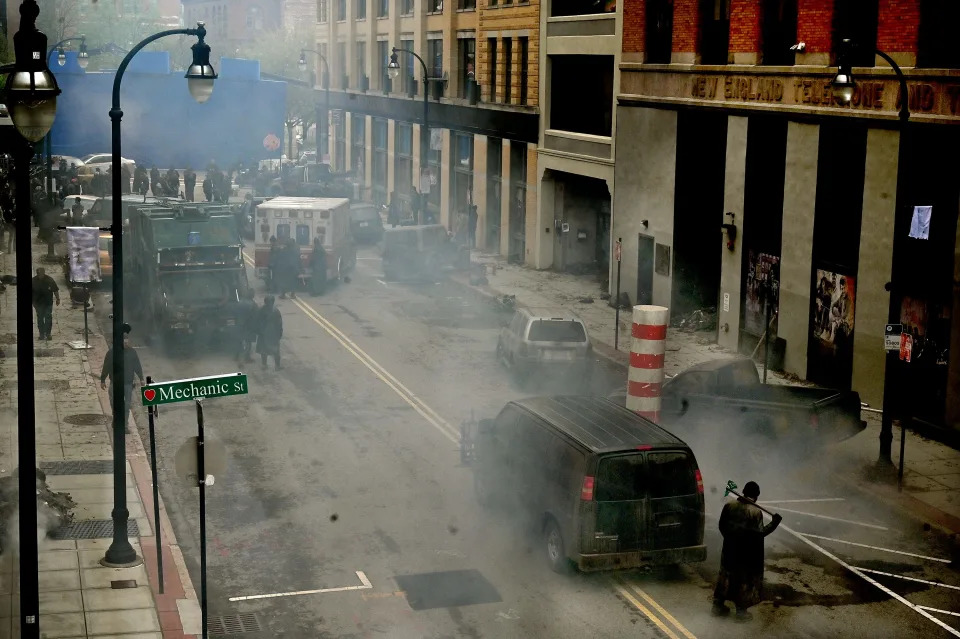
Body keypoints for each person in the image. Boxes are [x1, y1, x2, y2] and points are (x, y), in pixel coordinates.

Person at [713, 481, 782, 621]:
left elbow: (721, 525)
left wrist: (729, 539)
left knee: (725, 576)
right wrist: (774, 522)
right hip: (746, 553)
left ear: (744, 492)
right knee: (743, 581)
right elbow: (760, 533)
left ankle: (717, 606)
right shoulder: (755, 512)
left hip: (729, 548)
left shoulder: (729, 505)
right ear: (756, 495)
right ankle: (740, 613)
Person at [99, 328, 144, 424]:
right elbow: (106, 366)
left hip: (127, 383)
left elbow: (137, 366)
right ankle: (116, 419)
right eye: (124, 343)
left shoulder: (132, 352)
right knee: (114, 403)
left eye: (127, 343)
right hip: (115, 383)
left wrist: (141, 378)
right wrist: (102, 380)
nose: (126, 345)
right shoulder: (112, 352)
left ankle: (125, 425)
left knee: (127, 406)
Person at [32, 267, 60, 341]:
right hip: (38, 303)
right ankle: (41, 334)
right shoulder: (33, 281)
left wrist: (58, 299)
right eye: (38, 274)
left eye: (41, 274)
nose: (40, 275)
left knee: (48, 317)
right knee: (40, 318)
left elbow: (55, 290)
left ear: (44, 273)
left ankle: (48, 334)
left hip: (48, 302)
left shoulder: (50, 280)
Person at [256, 295, 283, 370]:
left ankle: (264, 365)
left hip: (263, 333)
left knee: (263, 350)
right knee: (275, 350)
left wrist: (258, 331)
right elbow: (279, 324)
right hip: (272, 334)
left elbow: (257, 321)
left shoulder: (261, 310)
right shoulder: (275, 311)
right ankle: (277, 366)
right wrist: (280, 333)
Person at [235, 290, 258, 362]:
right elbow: (255, 316)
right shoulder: (253, 304)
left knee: (239, 341)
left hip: (239, 324)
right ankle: (246, 358)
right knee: (248, 342)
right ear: (252, 295)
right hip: (248, 326)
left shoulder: (240, 302)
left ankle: (236, 356)